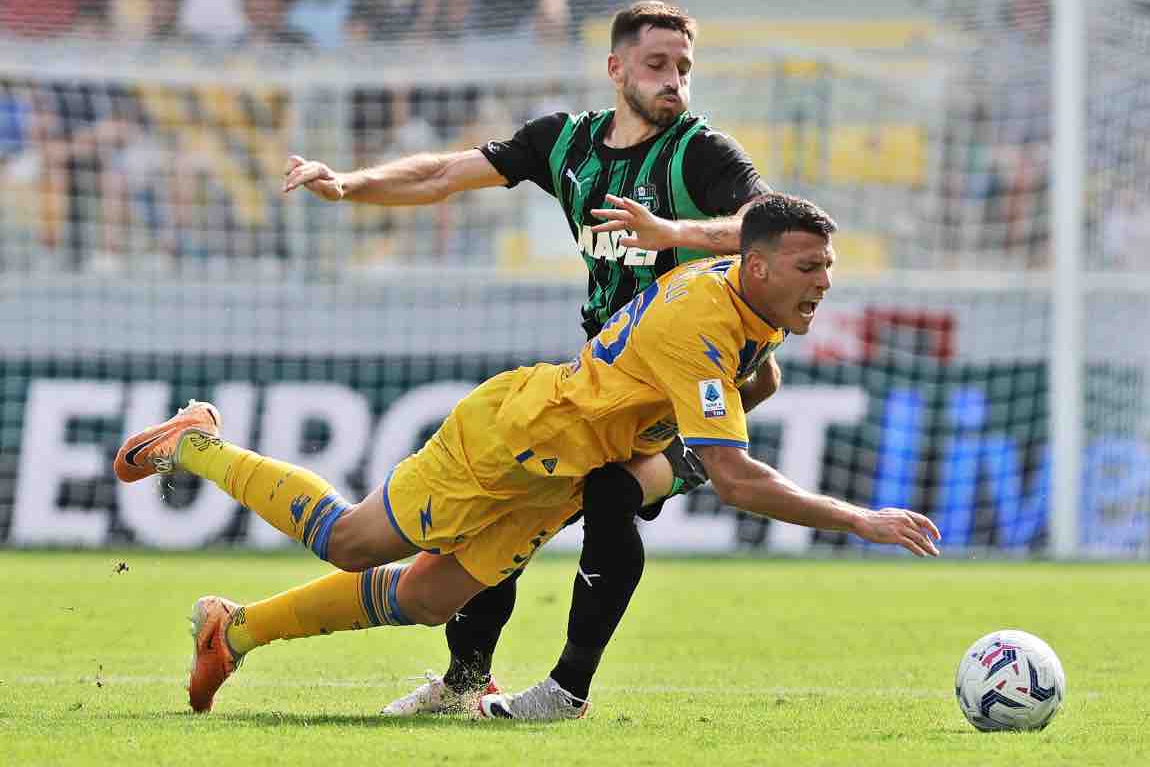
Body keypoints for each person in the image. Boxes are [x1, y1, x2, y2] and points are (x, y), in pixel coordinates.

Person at [113, 192, 942, 718]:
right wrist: (857, 518)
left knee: (434, 598)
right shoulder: (703, 319)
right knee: (351, 543)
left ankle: (236, 630)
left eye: (828, 267)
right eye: (809, 266)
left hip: (563, 477)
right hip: (511, 442)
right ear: (757, 265)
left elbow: (752, 383)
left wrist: (674, 450)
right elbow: (733, 475)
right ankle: (198, 443)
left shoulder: (749, 304)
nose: (825, 281)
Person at [282, 0, 779, 719]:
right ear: (615, 70)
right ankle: (465, 679)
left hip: (705, 391)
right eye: (657, 66)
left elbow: (762, 227)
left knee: (609, 495)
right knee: (511, 495)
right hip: (609, 388)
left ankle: (565, 690)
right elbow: (445, 175)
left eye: (684, 69)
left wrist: (671, 228)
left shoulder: (702, 154)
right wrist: (350, 183)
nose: (675, 82)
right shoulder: (564, 145)